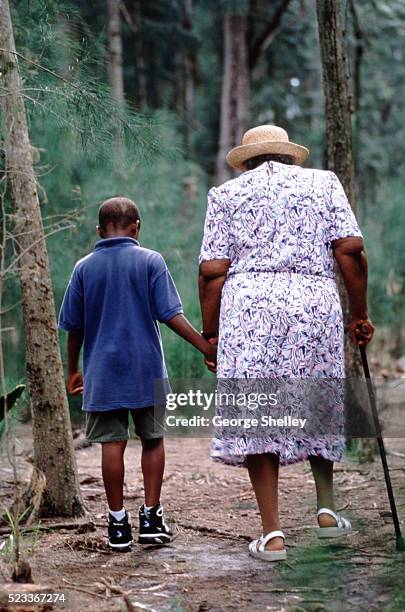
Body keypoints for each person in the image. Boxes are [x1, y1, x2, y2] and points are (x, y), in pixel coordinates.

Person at [199, 125, 374, 562]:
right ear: (291, 156)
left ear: (247, 160)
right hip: (312, 302)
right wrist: (359, 314)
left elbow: (212, 272)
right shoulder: (324, 183)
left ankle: (273, 535)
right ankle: (327, 510)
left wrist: (212, 333)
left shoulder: (226, 195)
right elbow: (350, 251)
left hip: (250, 309)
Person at [59, 197, 216, 551]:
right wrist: (205, 347)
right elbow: (171, 315)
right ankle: (151, 517)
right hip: (147, 369)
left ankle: (117, 524)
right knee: (153, 439)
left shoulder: (83, 268)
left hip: (101, 371)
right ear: (137, 227)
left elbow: (74, 327)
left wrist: (73, 370)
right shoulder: (150, 261)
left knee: (111, 445)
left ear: (99, 230)